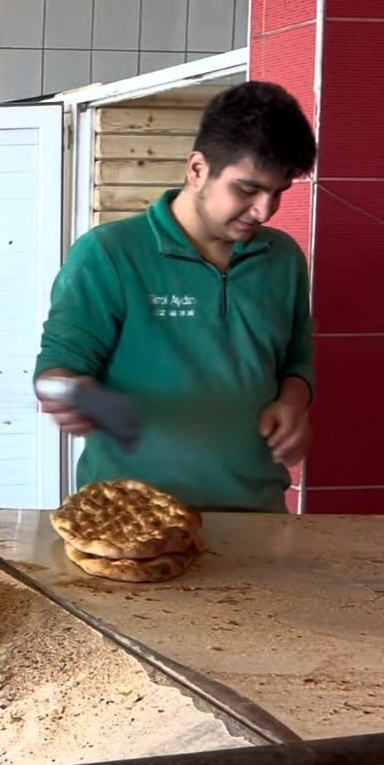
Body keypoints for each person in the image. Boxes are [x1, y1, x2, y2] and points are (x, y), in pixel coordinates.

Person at [33, 80, 318, 513]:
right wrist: (72, 392)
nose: (264, 210)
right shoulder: (110, 254)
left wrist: (293, 404)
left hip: (255, 514)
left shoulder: (282, 258)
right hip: (128, 515)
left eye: (278, 192)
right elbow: (56, 368)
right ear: (197, 169)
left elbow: (297, 359)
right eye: (246, 190)